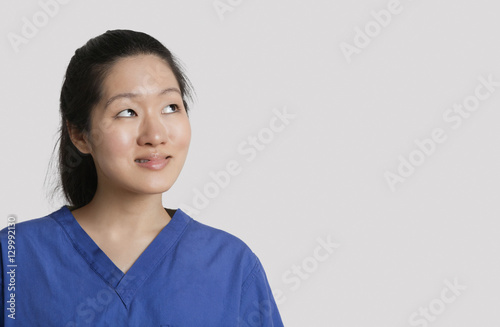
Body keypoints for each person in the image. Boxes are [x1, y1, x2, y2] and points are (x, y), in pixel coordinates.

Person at [0, 29, 284, 326]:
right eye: (127, 112)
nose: (156, 135)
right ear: (79, 134)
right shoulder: (15, 258)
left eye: (170, 107)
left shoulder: (231, 266)